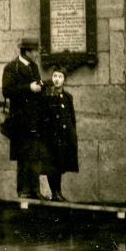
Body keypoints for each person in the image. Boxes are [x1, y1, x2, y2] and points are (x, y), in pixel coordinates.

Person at [1, 37, 46, 198]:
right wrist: (29, 87)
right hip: (19, 120)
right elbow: (7, 91)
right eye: (34, 51)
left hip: (34, 120)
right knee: (22, 157)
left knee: (34, 155)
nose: (36, 54)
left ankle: (35, 191)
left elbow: (37, 89)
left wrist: (40, 86)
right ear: (27, 52)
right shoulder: (11, 67)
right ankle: (23, 191)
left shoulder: (34, 67)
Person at [36, 68, 79, 202]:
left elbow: (71, 118)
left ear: (64, 80)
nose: (56, 79)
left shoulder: (68, 97)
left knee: (60, 165)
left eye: (60, 76)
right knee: (52, 165)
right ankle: (55, 192)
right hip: (51, 137)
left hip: (64, 136)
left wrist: (72, 135)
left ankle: (58, 192)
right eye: (54, 76)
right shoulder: (47, 95)